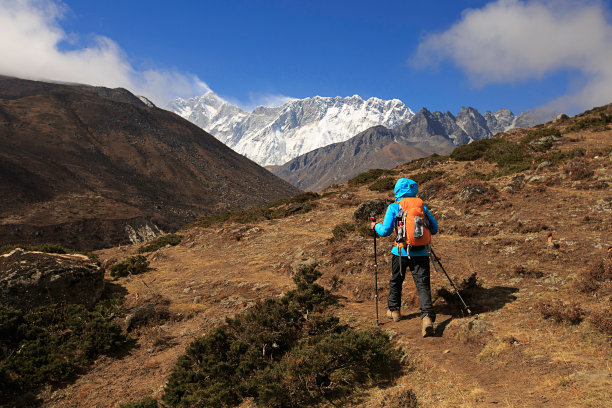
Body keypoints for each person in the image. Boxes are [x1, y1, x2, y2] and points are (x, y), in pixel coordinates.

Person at [370, 178, 439, 337]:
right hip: (421, 252)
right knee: (423, 284)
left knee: (396, 280)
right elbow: (434, 229)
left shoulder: (394, 207)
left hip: (400, 251)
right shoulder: (421, 206)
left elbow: (386, 231)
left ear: (397, 191)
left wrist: (375, 226)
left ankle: (394, 311)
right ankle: (427, 317)